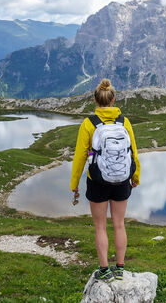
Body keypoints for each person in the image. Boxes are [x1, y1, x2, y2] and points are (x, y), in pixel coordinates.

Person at [70, 78, 140, 282]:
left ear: (95, 100)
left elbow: (80, 157)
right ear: (113, 99)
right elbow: (133, 153)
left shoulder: (88, 123)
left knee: (100, 226)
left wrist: (74, 184)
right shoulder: (124, 121)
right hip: (122, 181)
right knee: (119, 224)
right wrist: (135, 176)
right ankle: (120, 268)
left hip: (97, 182)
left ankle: (104, 270)